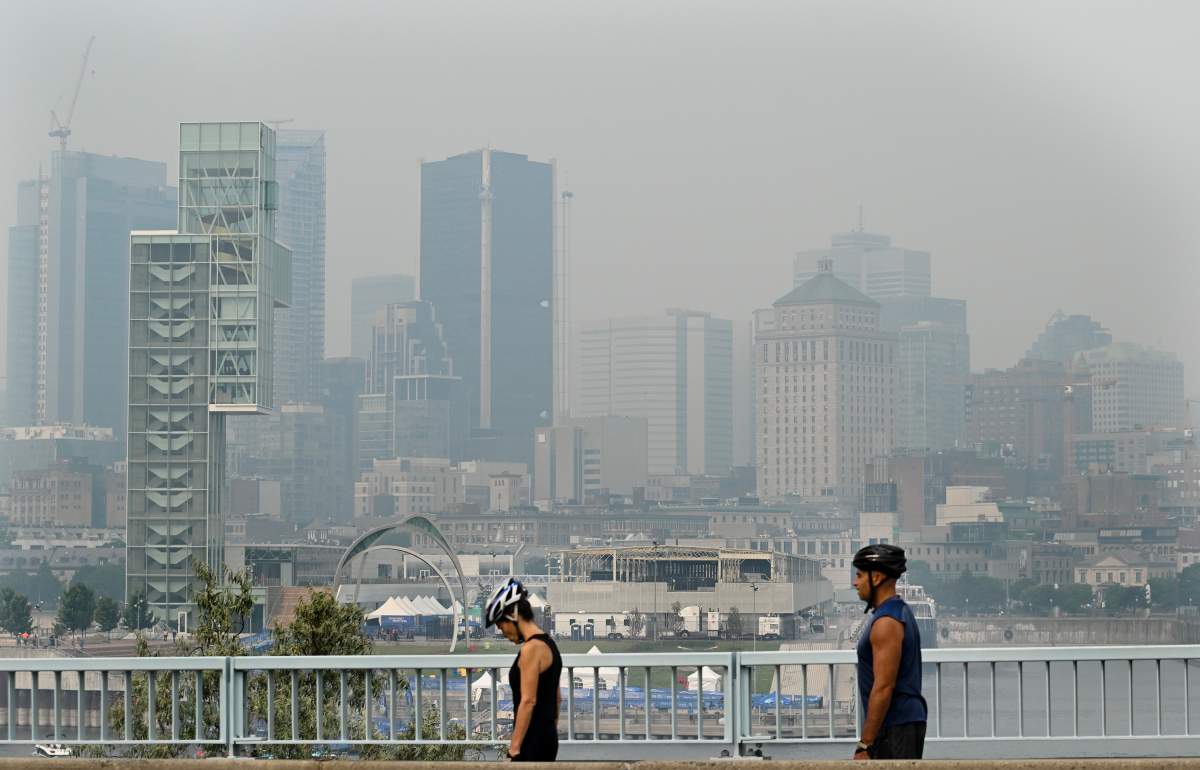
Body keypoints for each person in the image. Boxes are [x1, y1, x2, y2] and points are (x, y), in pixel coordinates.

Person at [852, 544, 927, 760]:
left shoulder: (886, 622)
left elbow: (884, 686)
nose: (855, 583)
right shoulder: (898, 611)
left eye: (859, 575)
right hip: (899, 723)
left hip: (895, 725)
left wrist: (865, 744)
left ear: (876, 577)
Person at [484, 578, 562, 762]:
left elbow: (528, 701)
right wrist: (549, 730)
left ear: (513, 614)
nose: (502, 632)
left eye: (501, 625)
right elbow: (557, 698)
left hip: (532, 740)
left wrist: (514, 748)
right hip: (546, 737)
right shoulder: (549, 644)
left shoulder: (531, 649)